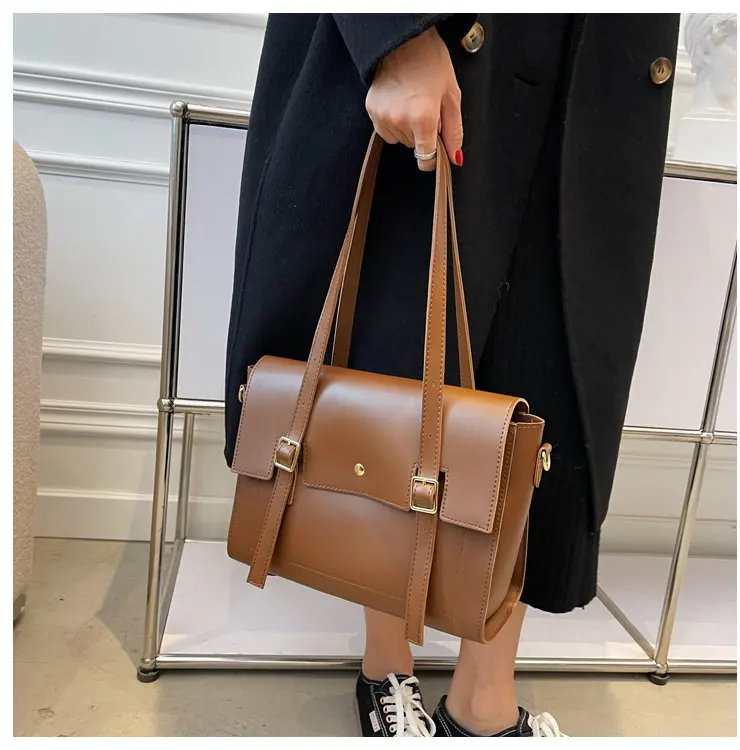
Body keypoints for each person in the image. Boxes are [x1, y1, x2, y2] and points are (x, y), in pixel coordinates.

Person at [225, 14, 680, 738]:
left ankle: (484, 704)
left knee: (545, 373)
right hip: (442, 34)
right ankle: (386, 667)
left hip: (595, 49)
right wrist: (395, 33)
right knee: (395, 349)